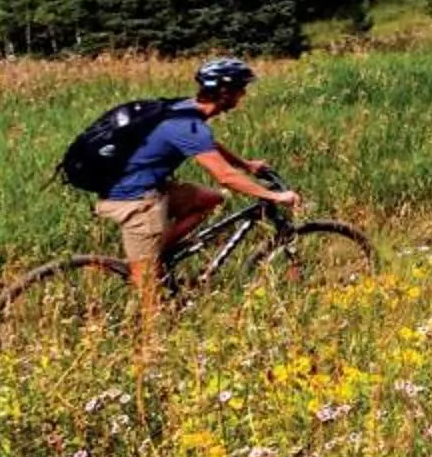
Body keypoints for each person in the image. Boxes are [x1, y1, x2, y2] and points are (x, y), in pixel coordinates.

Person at [95, 56, 298, 316]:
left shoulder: (185, 109)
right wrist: (275, 196)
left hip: (142, 184)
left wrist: (246, 164)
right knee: (149, 292)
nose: (244, 94)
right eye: (240, 88)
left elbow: (206, 144)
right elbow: (225, 177)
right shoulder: (188, 126)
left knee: (208, 199)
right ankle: (149, 341)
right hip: (133, 198)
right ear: (225, 93)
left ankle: (158, 253)